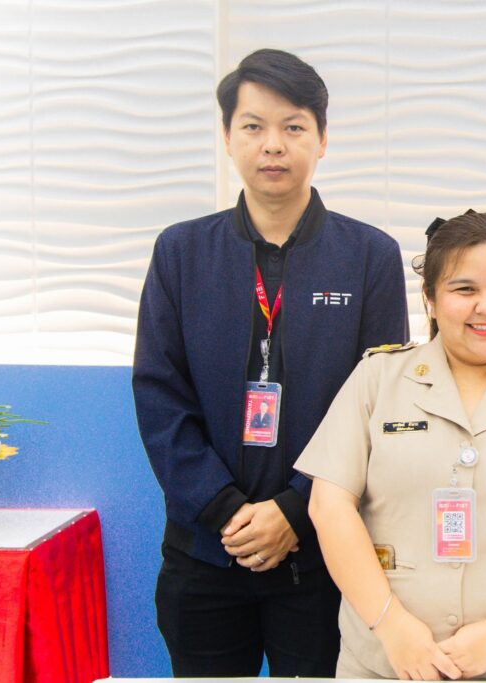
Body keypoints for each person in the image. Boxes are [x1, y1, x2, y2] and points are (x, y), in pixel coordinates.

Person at [131, 48, 408, 677]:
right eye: (253, 126)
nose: (273, 144)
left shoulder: (369, 256)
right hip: (205, 551)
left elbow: (378, 406)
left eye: (293, 126)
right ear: (228, 137)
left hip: (322, 555)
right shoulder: (181, 252)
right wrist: (224, 509)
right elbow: (159, 396)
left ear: (323, 139)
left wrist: (295, 510)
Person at [295, 211, 486, 680]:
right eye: (464, 289)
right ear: (431, 299)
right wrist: (391, 626)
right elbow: (329, 506)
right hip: (386, 664)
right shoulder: (377, 380)